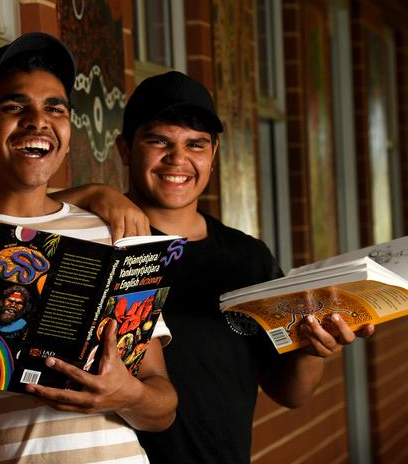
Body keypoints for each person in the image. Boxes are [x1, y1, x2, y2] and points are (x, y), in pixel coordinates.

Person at [0, 33, 177, 463]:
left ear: (68, 128)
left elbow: (163, 407)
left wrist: (125, 394)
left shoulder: (111, 233)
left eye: (54, 108)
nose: (38, 121)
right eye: (14, 107)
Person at [106, 71, 375, 463]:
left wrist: (313, 348)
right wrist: (94, 194)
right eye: (159, 141)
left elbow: (290, 393)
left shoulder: (247, 256)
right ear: (125, 149)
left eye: (195, 144)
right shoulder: (101, 243)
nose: (177, 158)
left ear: (213, 154)